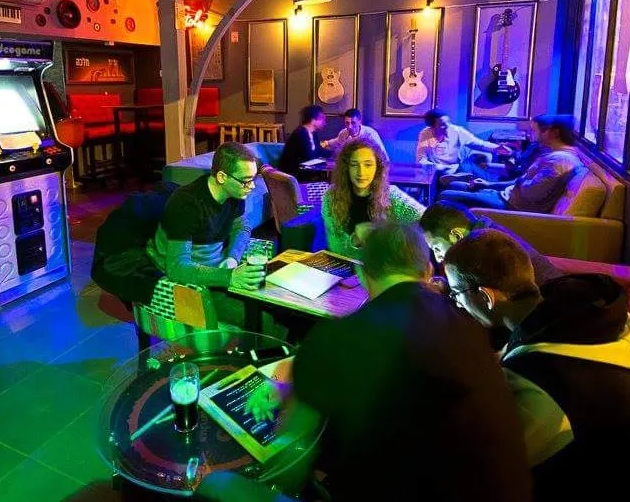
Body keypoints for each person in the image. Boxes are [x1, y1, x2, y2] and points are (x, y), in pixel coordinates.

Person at [242, 222, 533, 502]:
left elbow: (289, 466)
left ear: (362, 274)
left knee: (223, 485)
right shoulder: (469, 328)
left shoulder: (334, 338)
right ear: (428, 271)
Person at [443, 229, 630, 502]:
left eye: (457, 294)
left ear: (486, 297)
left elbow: (495, 469)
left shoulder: (542, 381)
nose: (458, 304)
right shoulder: (593, 313)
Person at [145, 142, 268, 325]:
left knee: (280, 311)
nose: (251, 187)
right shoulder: (186, 204)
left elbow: (242, 227)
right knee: (264, 319)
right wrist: (229, 277)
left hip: (215, 275)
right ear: (221, 177)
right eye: (245, 181)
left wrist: (232, 258)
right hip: (189, 287)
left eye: (253, 179)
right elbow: (177, 268)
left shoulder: (235, 193)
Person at [437, 114, 583, 212]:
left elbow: (532, 192)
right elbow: (522, 181)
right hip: (507, 194)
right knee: (454, 185)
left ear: (554, 133)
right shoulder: (552, 155)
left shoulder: (559, 161)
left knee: (445, 195)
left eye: (538, 131)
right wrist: (489, 185)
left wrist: (522, 178)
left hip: (512, 207)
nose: (533, 134)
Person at [321, 138, 425, 259]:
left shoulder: (391, 195)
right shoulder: (331, 197)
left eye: (368, 165)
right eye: (354, 165)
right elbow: (335, 247)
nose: (361, 172)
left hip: (384, 266)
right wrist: (356, 239)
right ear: (346, 168)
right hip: (346, 265)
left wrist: (383, 233)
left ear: (378, 167)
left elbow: (425, 219)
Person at [420, 201, 561, 285]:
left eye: (436, 248)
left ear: (456, 235)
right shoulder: (486, 231)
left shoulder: (483, 250)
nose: (437, 258)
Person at [416, 108, 511, 173]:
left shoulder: (457, 131)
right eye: (443, 125)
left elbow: (478, 143)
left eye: (448, 122)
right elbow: (421, 159)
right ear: (432, 127)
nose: (448, 126)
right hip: (435, 170)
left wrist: (496, 148)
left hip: (455, 168)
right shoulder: (425, 134)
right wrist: (437, 167)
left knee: (467, 168)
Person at [278, 105, 330, 175]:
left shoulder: (313, 133)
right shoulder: (300, 134)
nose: (324, 122)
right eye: (322, 119)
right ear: (313, 120)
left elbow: (319, 151)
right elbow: (308, 157)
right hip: (293, 174)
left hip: (303, 171)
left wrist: (335, 153)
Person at [320, 108, 387, 157]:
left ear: (360, 121)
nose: (350, 126)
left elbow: (382, 154)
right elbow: (337, 141)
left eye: (353, 123)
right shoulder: (343, 133)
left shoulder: (370, 134)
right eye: (347, 123)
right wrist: (326, 143)